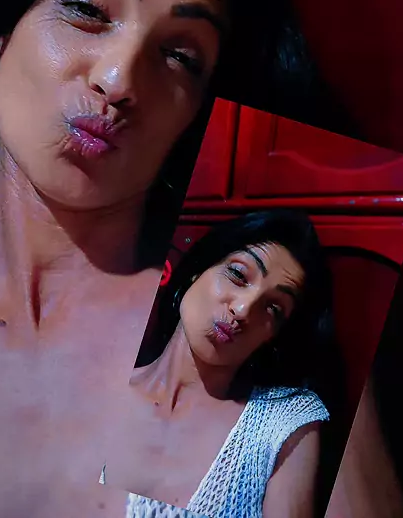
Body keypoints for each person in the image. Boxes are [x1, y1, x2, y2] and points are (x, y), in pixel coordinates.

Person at [0, 0, 333, 518]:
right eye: (87, 9)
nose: (119, 80)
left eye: (179, 56)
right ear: (5, 26)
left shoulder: (228, 371)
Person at [102, 210, 336, 518]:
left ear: (275, 336)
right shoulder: (99, 383)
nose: (243, 309)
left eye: (273, 308)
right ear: (198, 271)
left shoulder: (282, 424)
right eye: (238, 275)